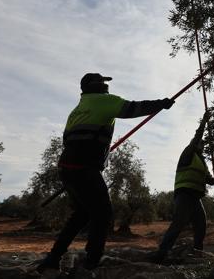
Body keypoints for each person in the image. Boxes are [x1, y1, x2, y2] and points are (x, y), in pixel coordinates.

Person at [36, 73, 174, 278]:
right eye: (103, 82)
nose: (106, 86)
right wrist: (161, 103)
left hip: (67, 167)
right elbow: (134, 109)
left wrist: (99, 150)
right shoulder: (105, 101)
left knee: (82, 214)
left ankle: (53, 258)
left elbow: (71, 141)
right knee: (102, 213)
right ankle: (91, 262)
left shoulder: (76, 110)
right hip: (84, 168)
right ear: (96, 86)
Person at [148, 109, 214, 262]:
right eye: (200, 143)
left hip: (195, 197)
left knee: (201, 225)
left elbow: (207, 178)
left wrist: (213, 181)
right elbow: (197, 137)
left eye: (203, 145)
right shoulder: (188, 152)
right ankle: (162, 252)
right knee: (178, 224)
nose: (202, 146)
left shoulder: (202, 161)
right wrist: (204, 121)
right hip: (184, 194)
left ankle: (197, 252)